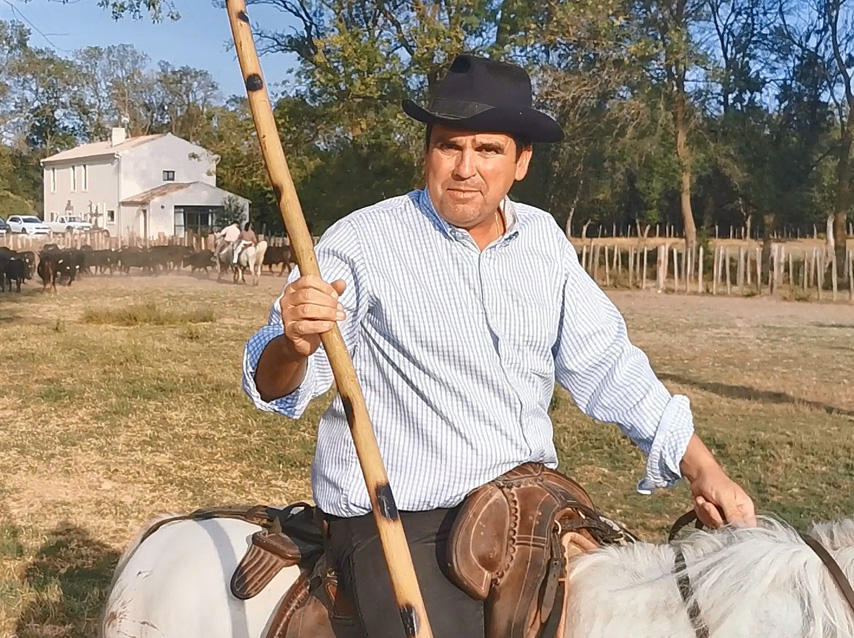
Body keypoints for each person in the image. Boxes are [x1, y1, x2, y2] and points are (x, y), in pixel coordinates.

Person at [239, 55, 756, 638]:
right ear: (427, 151)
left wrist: (703, 469)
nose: (465, 168)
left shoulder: (543, 241)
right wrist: (294, 343)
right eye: (448, 146)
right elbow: (273, 382)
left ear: (521, 162)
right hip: (402, 517)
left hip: (529, 504)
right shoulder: (362, 241)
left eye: (487, 150)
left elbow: (609, 364)